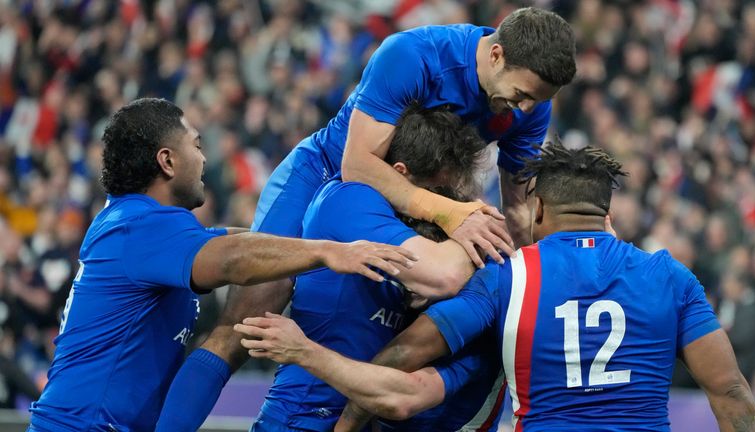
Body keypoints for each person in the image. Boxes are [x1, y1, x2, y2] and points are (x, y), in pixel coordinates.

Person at [161, 8, 577, 429]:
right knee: (243, 328)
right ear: (496, 55)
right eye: (522, 94)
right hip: (332, 173)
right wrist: (451, 213)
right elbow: (357, 163)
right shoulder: (414, 53)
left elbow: (519, 209)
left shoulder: (531, 107)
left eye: (536, 101)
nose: (525, 108)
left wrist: (538, 283)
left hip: (407, 193)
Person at [237, 143, 755, 432]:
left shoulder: (509, 276)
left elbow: (404, 356)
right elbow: (733, 396)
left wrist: (350, 421)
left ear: (537, 209)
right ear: (607, 213)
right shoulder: (671, 277)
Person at [26, 98, 415, 432]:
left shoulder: (143, 225)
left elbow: (234, 238)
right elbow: (233, 259)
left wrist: (308, 232)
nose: (204, 157)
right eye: (196, 145)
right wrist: (328, 251)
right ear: (167, 161)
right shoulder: (139, 225)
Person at [241, 105, 502, 432]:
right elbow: (444, 276)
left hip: (363, 414)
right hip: (305, 414)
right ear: (400, 173)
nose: (447, 207)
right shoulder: (351, 198)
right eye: (437, 194)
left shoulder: (409, 227)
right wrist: (480, 229)